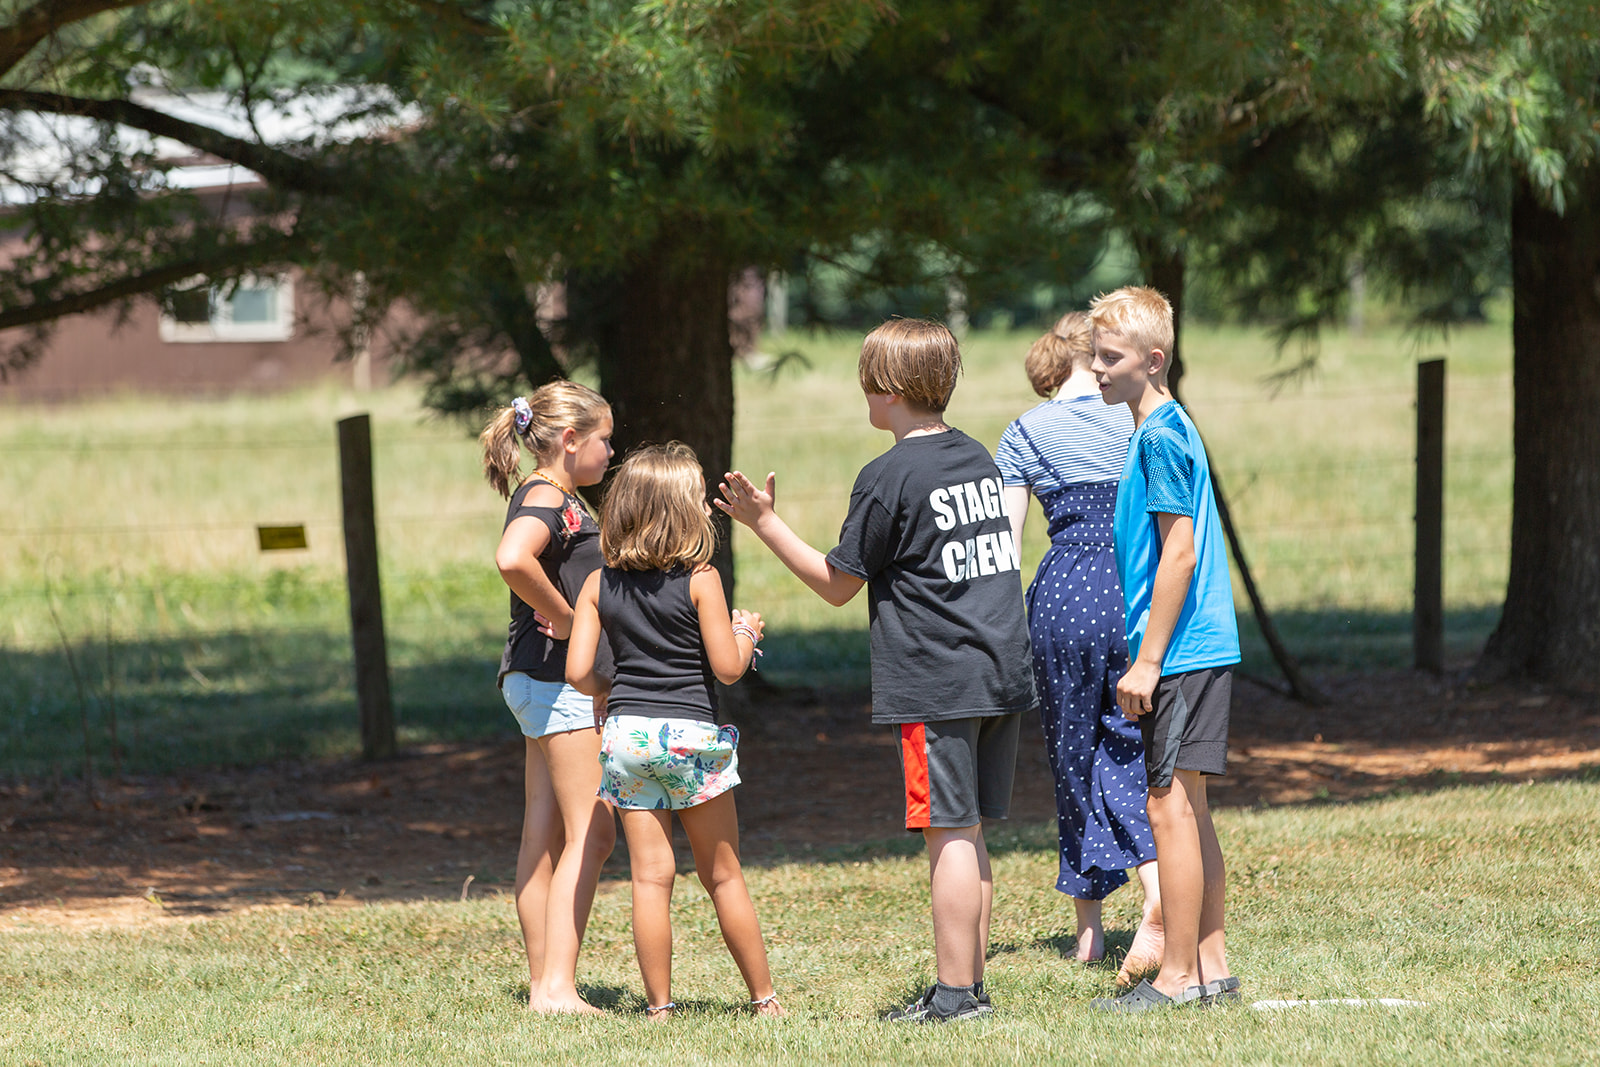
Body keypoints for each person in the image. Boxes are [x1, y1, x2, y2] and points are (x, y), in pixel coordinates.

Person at [717, 318, 1037, 1024]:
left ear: (888, 391)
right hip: (999, 673)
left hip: (939, 681)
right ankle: (970, 984)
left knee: (947, 831)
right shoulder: (977, 458)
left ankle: (956, 995)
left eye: (866, 381)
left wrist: (764, 522)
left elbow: (838, 583)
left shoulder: (887, 475)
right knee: (972, 828)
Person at [565, 442, 784, 1021]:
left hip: (628, 740)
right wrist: (748, 632)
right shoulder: (701, 580)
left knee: (649, 878)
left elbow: (578, 671)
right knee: (723, 873)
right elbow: (728, 668)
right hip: (689, 737)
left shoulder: (597, 584)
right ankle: (765, 1000)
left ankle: (659, 1008)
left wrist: (607, 693)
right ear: (685, 513)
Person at [1085, 286, 1241, 1012]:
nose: (1095, 368)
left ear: (1152, 361)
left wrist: (1147, 659)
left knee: (1167, 807)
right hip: (1193, 648)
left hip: (1179, 653)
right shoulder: (1159, 430)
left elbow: (1178, 552)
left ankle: (1176, 975)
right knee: (1189, 808)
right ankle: (1211, 965)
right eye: (1094, 354)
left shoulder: (1160, 436)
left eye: (1109, 357)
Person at [996, 312, 1163, 984]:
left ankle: (1095, 930)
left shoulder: (1025, 432)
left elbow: (1007, 551)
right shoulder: (1137, 420)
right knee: (1129, 745)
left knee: (1073, 755)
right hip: (1133, 593)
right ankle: (1156, 884)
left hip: (1063, 597)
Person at [480, 382, 617, 1014]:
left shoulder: (555, 496)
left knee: (545, 834)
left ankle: (544, 983)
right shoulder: (548, 498)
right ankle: (557, 987)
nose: (611, 452)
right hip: (558, 681)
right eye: (604, 440)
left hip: (529, 681)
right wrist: (566, 617)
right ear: (569, 440)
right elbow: (512, 559)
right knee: (593, 831)